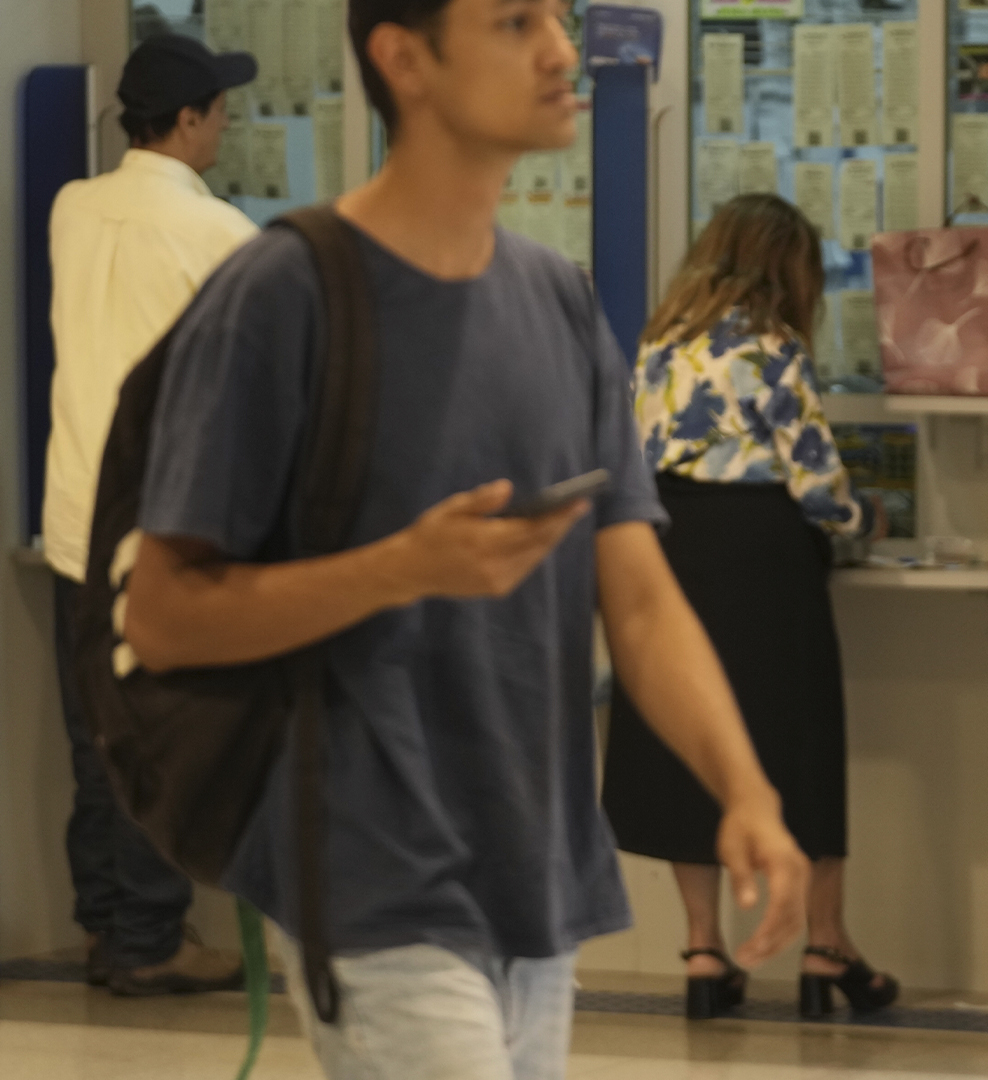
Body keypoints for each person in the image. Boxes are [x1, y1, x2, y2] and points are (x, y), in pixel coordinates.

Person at [117, 2, 810, 1076]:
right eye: (512, 22)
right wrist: (398, 569)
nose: (560, 51)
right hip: (366, 862)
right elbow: (163, 614)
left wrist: (746, 791)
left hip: (535, 868)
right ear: (407, 60)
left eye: (557, 19)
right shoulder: (287, 292)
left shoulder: (557, 302)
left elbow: (637, 595)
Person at [601, 193, 899, 1020]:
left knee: (685, 747)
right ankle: (824, 947)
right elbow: (818, 487)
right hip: (762, 560)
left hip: (666, 549)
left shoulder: (656, 349)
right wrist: (866, 521)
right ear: (786, 271)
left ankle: (703, 952)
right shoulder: (775, 351)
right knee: (800, 751)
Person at [43, 31, 259, 996]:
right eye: (219, 108)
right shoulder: (220, 234)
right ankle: (149, 941)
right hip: (158, 524)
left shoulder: (73, 209)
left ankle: (105, 925)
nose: (227, 123)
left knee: (96, 729)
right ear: (184, 120)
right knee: (156, 733)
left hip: (72, 517)